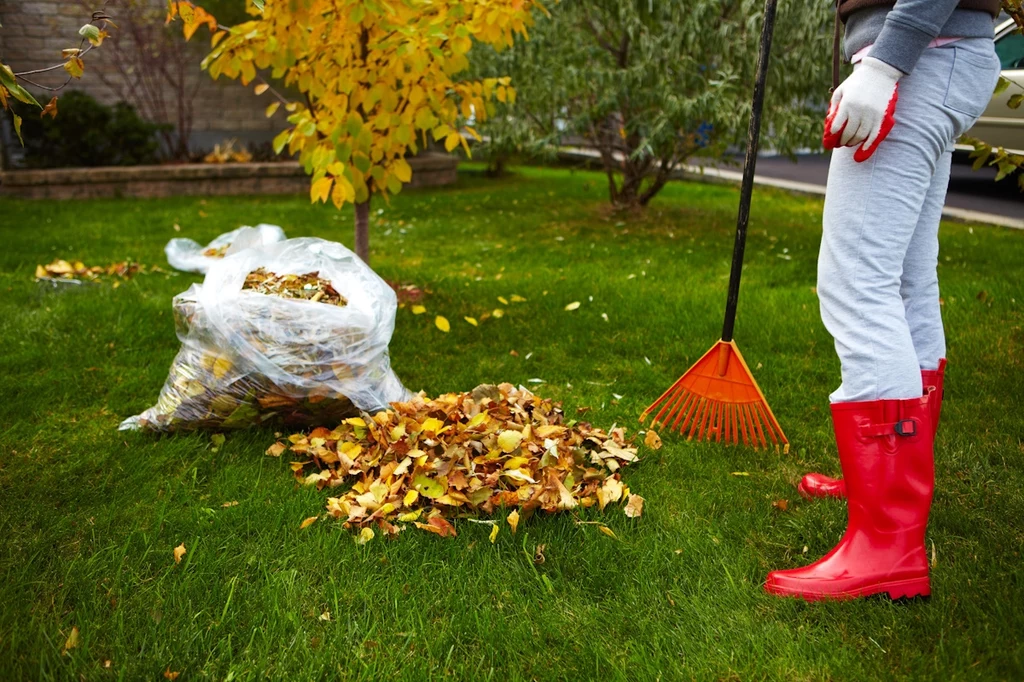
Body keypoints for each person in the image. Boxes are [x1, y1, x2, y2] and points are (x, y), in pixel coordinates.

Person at [764, 0, 1002, 601]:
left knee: (857, 282)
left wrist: (885, 65)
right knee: (902, 277)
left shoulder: (902, 60)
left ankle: (887, 543)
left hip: (921, 57)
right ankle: (887, 486)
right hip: (942, 55)